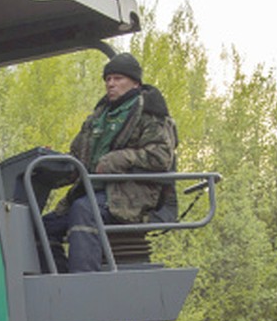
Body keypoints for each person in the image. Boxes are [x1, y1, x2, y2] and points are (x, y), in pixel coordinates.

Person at [42, 52, 177, 272]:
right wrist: (53, 165)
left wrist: (118, 159)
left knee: (84, 210)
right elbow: (78, 156)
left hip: (131, 194)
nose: (111, 84)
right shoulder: (99, 116)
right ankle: (58, 282)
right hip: (94, 192)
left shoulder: (150, 113)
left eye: (118, 79)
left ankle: (84, 283)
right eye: (108, 79)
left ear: (135, 82)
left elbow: (161, 156)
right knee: (43, 227)